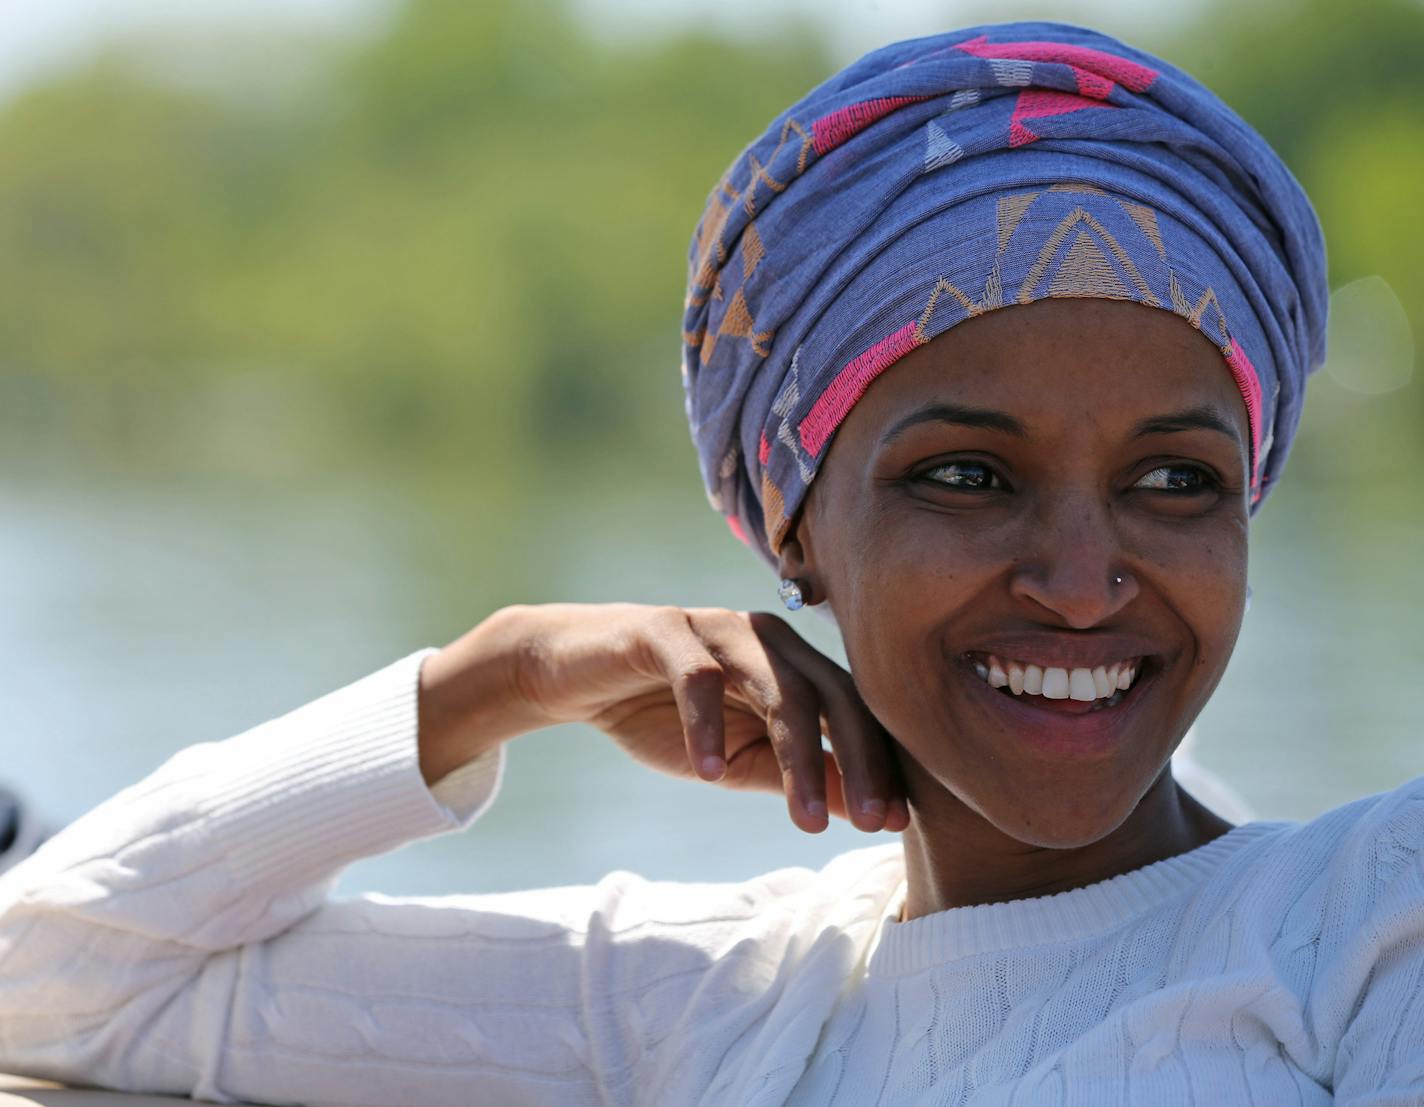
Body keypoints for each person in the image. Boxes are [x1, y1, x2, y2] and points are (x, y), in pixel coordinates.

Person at [0, 20, 1419, 1107]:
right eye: (967, 477)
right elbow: (56, 985)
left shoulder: (1365, 915)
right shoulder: (708, 993)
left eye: (1175, 482)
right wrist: (506, 673)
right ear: (793, 525)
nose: (1082, 575)